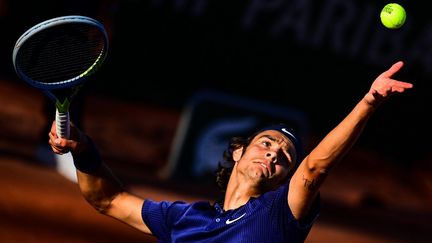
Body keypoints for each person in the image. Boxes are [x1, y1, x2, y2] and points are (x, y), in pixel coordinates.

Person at [48, 61, 413, 242]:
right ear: (238, 152)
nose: (273, 155)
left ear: (284, 178)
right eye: (266, 144)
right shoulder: (185, 219)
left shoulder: (277, 216)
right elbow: (108, 200)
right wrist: (84, 151)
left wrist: (368, 102)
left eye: (284, 157)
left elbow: (315, 168)